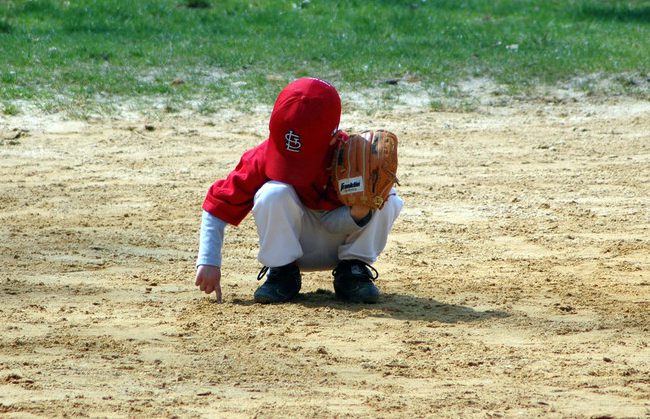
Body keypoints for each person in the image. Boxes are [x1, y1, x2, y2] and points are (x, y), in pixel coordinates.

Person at [194, 77, 403, 304]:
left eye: (303, 159)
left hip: (343, 243)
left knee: (386, 196)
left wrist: (361, 211)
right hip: (289, 244)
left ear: (334, 138)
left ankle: (353, 272)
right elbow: (217, 205)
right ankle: (282, 273)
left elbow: (331, 223)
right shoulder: (263, 155)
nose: (292, 165)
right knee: (272, 194)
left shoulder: (355, 162)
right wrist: (209, 261)